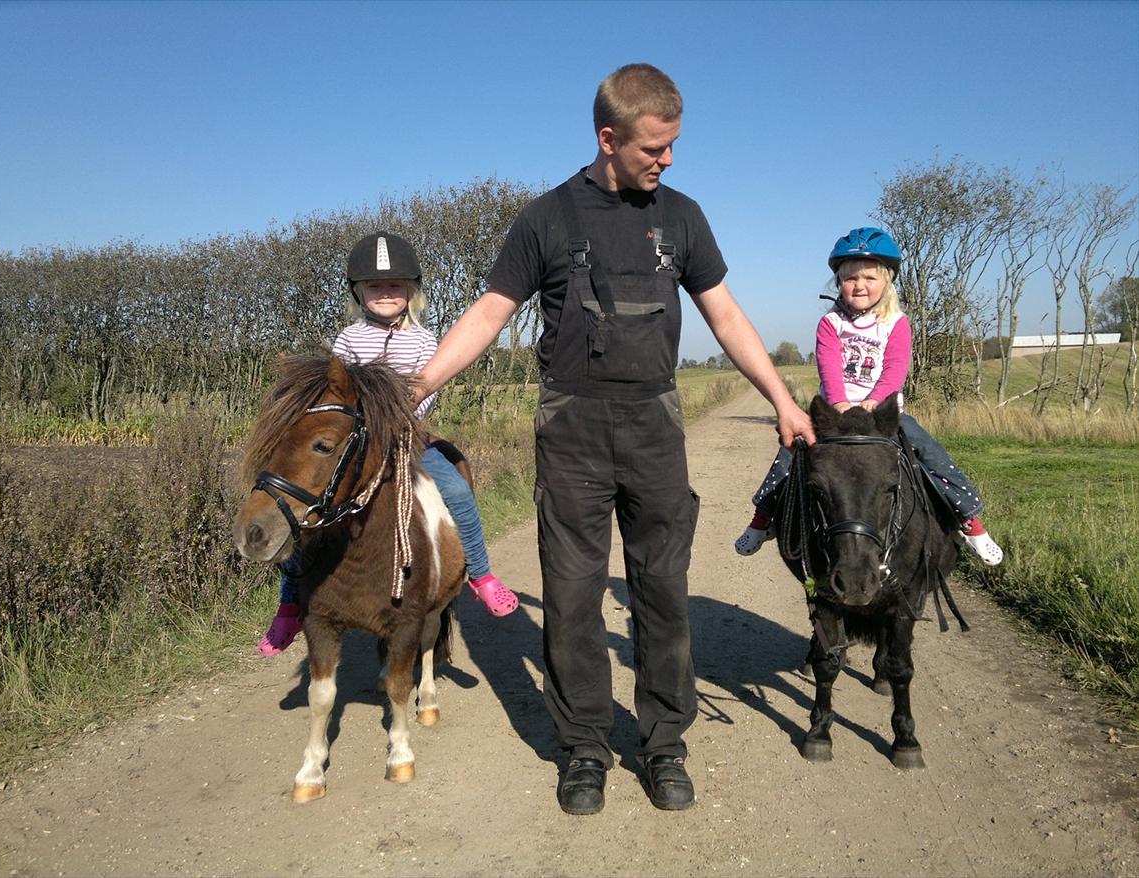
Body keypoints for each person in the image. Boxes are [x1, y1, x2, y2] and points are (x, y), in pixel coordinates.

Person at [414, 64, 814, 815]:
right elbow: (488, 313)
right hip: (572, 431)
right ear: (609, 138)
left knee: (662, 594)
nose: (668, 161)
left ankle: (664, 744)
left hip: (656, 430)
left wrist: (783, 400)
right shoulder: (546, 219)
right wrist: (417, 387)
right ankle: (585, 748)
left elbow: (726, 317)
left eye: (673, 147)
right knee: (569, 600)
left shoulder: (685, 217)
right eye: (655, 148)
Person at [257, 232, 519, 656]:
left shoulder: (423, 339)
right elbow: (335, 389)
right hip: (357, 444)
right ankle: (290, 604)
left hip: (409, 435)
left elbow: (429, 384)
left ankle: (481, 576)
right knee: (306, 508)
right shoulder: (347, 340)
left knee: (455, 490)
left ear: (411, 291)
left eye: (395, 285)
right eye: (375, 286)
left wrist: (403, 415)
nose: (385, 293)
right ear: (358, 292)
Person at [733, 226, 1004, 566]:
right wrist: (841, 403)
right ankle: (763, 518)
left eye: (869, 278)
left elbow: (895, 368)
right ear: (839, 284)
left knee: (931, 453)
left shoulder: (896, 323)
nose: (859, 285)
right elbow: (829, 367)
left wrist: (876, 401)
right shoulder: (831, 324)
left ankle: (969, 520)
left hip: (885, 414)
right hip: (836, 413)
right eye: (850, 278)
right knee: (791, 453)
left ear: (887, 281)